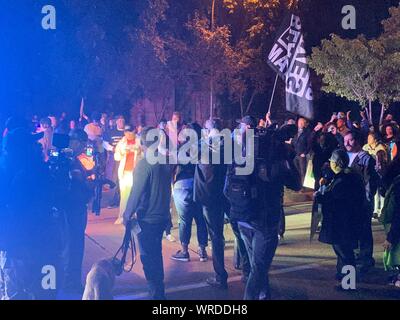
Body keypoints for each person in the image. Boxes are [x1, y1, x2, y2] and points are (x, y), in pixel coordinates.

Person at [225, 117, 302, 300]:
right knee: (259, 268)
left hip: (243, 218)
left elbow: (227, 189)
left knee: (256, 265)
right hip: (264, 223)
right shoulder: (275, 165)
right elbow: (297, 184)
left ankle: (264, 294)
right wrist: (288, 158)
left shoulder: (239, 161)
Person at [0, 128, 60, 299]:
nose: (38, 147)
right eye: (32, 143)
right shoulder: (28, 173)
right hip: (27, 243)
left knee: (32, 289)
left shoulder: (30, 171)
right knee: (33, 289)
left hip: (26, 242)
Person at [123, 127, 172, 300]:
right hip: (161, 216)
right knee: (156, 255)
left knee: (148, 258)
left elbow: (135, 193)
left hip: (148, 219)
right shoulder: (166, 162)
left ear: (143, 143)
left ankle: (156, 294)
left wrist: (126, 214)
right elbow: (167, 191)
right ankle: (159, 292)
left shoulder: (144, 164)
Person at [315, 149, 366, 289]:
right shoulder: (348, 176)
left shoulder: (344, 180)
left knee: (345, 252)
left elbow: (336, 201)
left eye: (332, 161)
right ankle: (342, 274)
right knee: (342, 251)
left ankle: (348, 283)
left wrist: (321, 196)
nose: (330, 163)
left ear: (337, 163)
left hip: (344, 223)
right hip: (346, 222)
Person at [194, 118, 228, 289]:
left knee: (215, 236)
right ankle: (246, 269)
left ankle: (220, 276)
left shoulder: (204, 148)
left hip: (211, 198)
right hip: (227, 196)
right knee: (238, 233)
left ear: (207, 131)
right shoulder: (228, 145)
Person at [171, 123, 208, 262]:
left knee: (184, 220)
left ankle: (185, 252)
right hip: (198, 186)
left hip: (182, 185)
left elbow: (172, 167)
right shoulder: (203, 149)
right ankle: (202, 251)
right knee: (200, 219)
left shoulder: (180, 149)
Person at [62, 129, 93, 294]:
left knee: (72, 246)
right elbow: (81, 185)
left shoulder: (73, 160)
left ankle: (70, 280)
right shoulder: (71, 162)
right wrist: (90, 187)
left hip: (73, 209)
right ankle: (71, 282)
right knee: (74, 246)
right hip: (74, 210)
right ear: (75, 142)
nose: (83, 146)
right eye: (82, 142)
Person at [344, 130, 379, 273]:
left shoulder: (366, 158)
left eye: (350, 140)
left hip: (362, 201)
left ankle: (367, 258)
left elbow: (369, 182)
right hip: (351, 201)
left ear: (357, 141)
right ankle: (359, 254)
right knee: (354, 229)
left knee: (364, 230)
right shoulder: (345, 157)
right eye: (345, 140)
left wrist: (367, 200)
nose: (346, 143)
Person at [114, 127, 142, 225]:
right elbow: (116, 157)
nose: (129, 135)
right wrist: (122, 153)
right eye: (127, 133)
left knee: (136, 194)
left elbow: (145, 155)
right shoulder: (122, 143)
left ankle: (135, 215)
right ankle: (122, 216)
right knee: (124, 195)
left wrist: (138, 151)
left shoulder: (139, 142)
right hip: (125, 172)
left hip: (136, 172)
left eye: (131, 133)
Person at [103, 115, 126, 208]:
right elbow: (105, 143)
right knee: (115, 179)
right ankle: (115, 200)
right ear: (116, 122)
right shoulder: (111, 132)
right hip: (115, 160)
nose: (121, 122)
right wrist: (112, 148)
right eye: (120, 121)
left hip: (126, 159)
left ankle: (123, 199)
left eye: (123, 120)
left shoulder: (127, 132)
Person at [292, 117, 312, 186]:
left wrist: (305, 153)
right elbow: (292, 141)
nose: (300, 124)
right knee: (296, 170)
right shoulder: (294, 131)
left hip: (302, 155)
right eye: (299, 122)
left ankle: (302, 186)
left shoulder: (307, 133)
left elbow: (309, 144)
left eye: (302, 123)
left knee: (303, 171)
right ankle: (297, 184)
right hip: (295, 154)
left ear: (304, 124)